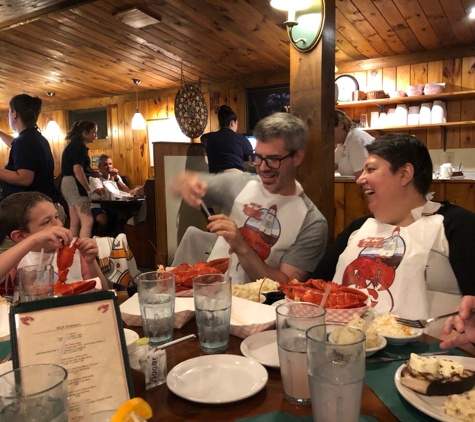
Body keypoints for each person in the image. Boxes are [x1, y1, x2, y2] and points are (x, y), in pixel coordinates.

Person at [313, 133, 475, 335]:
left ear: (405, 174)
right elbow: (316, 287)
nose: (360, 179)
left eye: (370, 169)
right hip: (343, 345)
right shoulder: (358, 227)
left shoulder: (457, 225)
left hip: (429, 358)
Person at [171, 112, 328, 285]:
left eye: (273, 159)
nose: (263, 168)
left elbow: (285, 286)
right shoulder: (240, 183)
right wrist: (186, 184)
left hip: (259, 308)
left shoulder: (312, 222)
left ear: (297, 157)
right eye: (258, 157)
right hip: (210, 293)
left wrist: (240, 245)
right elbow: (179, 180)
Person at [0, 192, 108, 300]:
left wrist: (90, 261)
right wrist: (34, 239)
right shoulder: (15, 261)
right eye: (46, 222)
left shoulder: (75, 251)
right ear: (20, 236)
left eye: (56, 216)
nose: (58, 224)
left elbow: (103, 293)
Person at [0, 94, 65, 251]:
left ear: (14, 113)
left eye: (9, 112)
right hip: (47, 209)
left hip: (33, 217)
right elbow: (15, 144)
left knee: (11, 263)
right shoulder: (35, 138)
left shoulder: (24, 141)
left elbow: (24, 179)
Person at [60, 121, 96, 238]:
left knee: (75, 223)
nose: (95, 135)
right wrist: (88, 189)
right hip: (74, 184)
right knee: (87, 221)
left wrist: (93, 173)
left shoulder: (72, 144)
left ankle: (72, 251)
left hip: (66, 183)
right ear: (85, 132)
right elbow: (77, 169)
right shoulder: (79, 146)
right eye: (93, 133)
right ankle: (84, 252)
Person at [200, 105, 253, 173]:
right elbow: (250, 159)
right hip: (235, 176)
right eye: (236, 123)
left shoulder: (208, 137)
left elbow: (203, 138)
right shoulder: (241, 139)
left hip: (216, 177)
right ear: (232, 123)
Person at [90, 154, 130, 235]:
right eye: (105, 164)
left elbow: (127, 191)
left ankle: (120, 238)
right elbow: (105, 194)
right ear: (99, 167)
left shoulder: (116, 177)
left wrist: (117, 179)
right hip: (97, 206)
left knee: (125, 216)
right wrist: (111, 179)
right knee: (104, 220)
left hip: (114, 206)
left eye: (110, 164)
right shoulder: (94, 179)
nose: (109, 167)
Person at [334, 109, 374, 178]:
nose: (326, 135)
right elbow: (331, 166)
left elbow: (362, 176)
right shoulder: (343, 143)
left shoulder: (356, 140)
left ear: (340, 125)